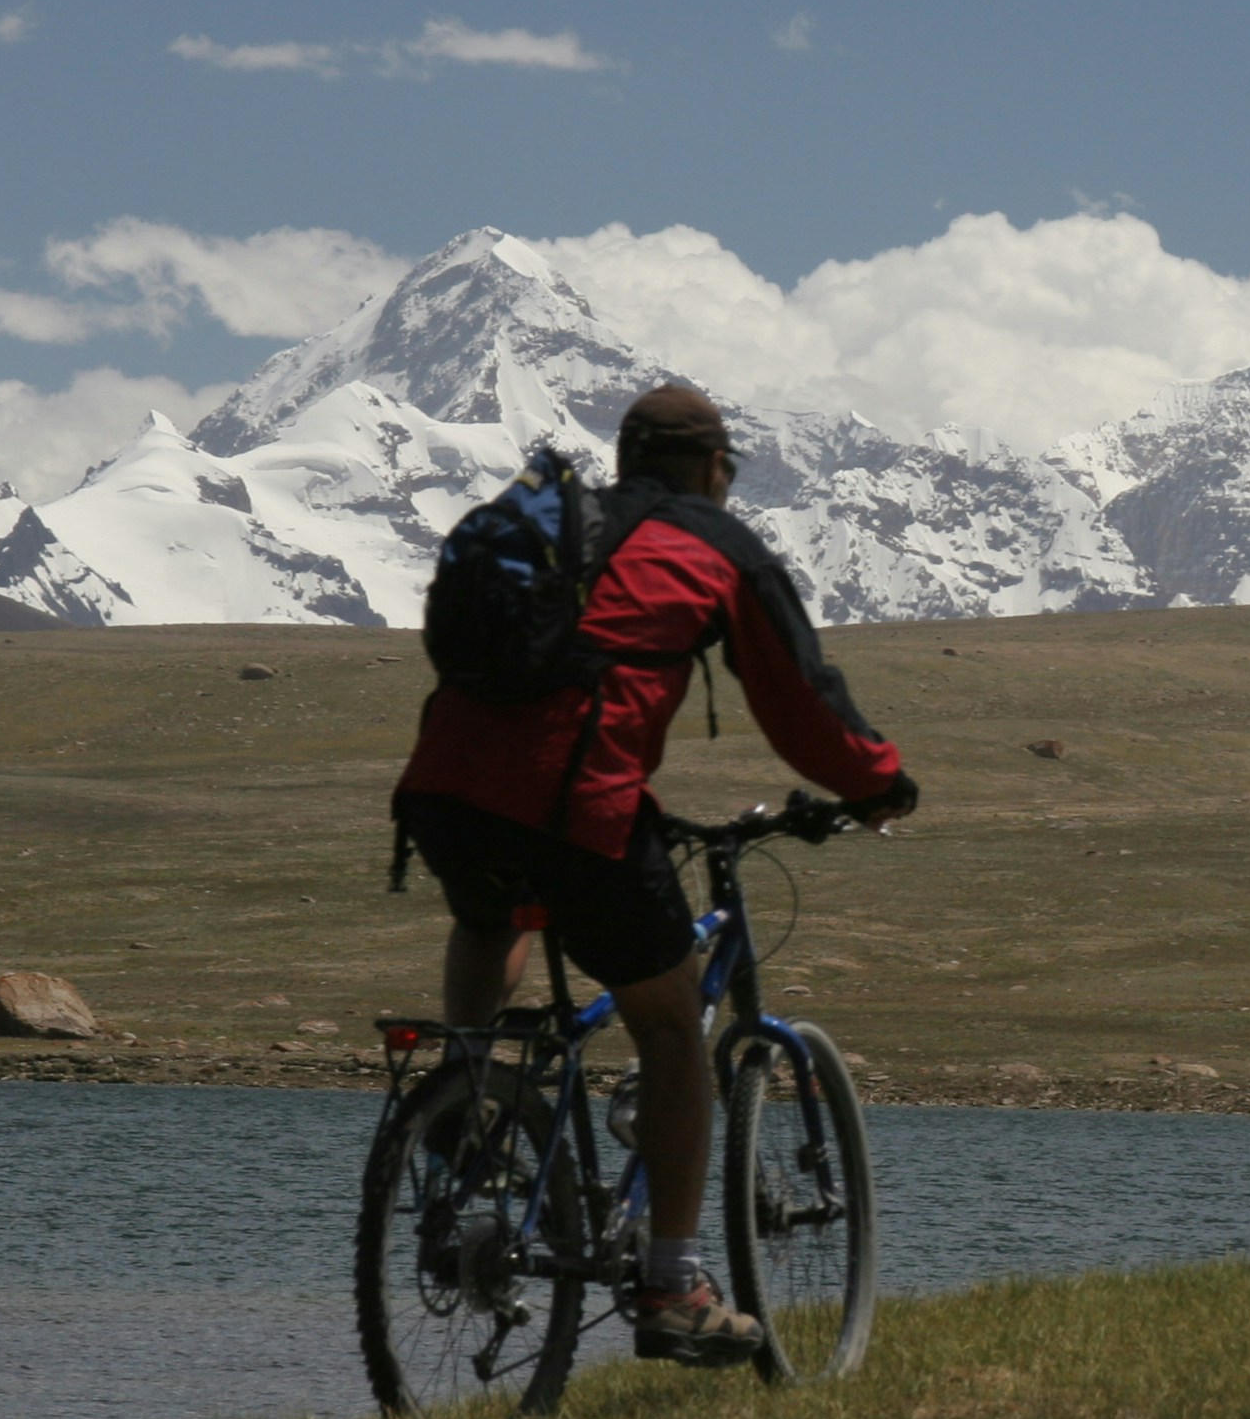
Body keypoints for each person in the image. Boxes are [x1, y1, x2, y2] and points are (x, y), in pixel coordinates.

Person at [391, 382, 916, 1363]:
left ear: (628, 457)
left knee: (491, 914)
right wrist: (879, 781)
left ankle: (469, 1099)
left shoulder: (556, 523)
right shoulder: (718, 546)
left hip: (443, 788)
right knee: (674, 1022)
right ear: (717, 467)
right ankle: (674, 1286)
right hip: (572, 801)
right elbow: (803, 702)